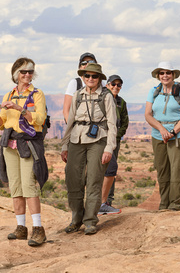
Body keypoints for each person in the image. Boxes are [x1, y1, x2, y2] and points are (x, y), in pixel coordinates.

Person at [0, 57, 48, 247]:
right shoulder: (9, 94)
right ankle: (21, 228)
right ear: (15, 74)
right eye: (23, 72)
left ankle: (38, 229)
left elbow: (39, 119)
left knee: (29, 186)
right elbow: (1, 125)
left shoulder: (37, 94)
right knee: (15, 186)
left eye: (30, 71)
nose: (27, 75)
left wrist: (20, 108)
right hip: (10, 145)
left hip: (28, 143)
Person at [61, 63, 117, 235]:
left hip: (98, 140)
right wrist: (65, 145)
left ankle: (91, 221)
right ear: (83, 77)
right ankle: (76, 220)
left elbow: (112, 124)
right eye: (87, 76)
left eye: (94, 76)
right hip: (76, 139)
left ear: (100, 78)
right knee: (73, 180)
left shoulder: (106, 96)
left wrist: (109, 148)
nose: (90, 79)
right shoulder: (78, 95)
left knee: (94, 180)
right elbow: (70, 121)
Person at [145, 62, 180, 211]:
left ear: (173, 75)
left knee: (177, 170)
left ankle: (175, 205)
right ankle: (163, 203)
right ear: (158, 75)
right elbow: (147, 114)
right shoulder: (153, 91)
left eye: (168, 73)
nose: (165, 75)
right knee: (162, 170)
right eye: (162, 73)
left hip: (178, 136)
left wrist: (172, 132)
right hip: (158, 136)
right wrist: (161, 129)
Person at [98, 74, 129, 215]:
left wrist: (115, 136)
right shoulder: (102, 98)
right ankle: (97, 201)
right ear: (107, 85)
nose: (116, 87)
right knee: (99, 169)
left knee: (111, 169)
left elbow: (124, 122)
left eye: (119, 85)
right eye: (113, 84)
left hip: (114, 141)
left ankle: (107, 201)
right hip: (100, 139)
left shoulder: (121, 102)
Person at [63, 53, 97, 123]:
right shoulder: (75, 83)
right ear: (80, 67)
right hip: (79, 128)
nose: (87, 65)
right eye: (83, 63)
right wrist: (71, 128)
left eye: (91, 62)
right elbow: (66, 110)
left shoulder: (101, 84)